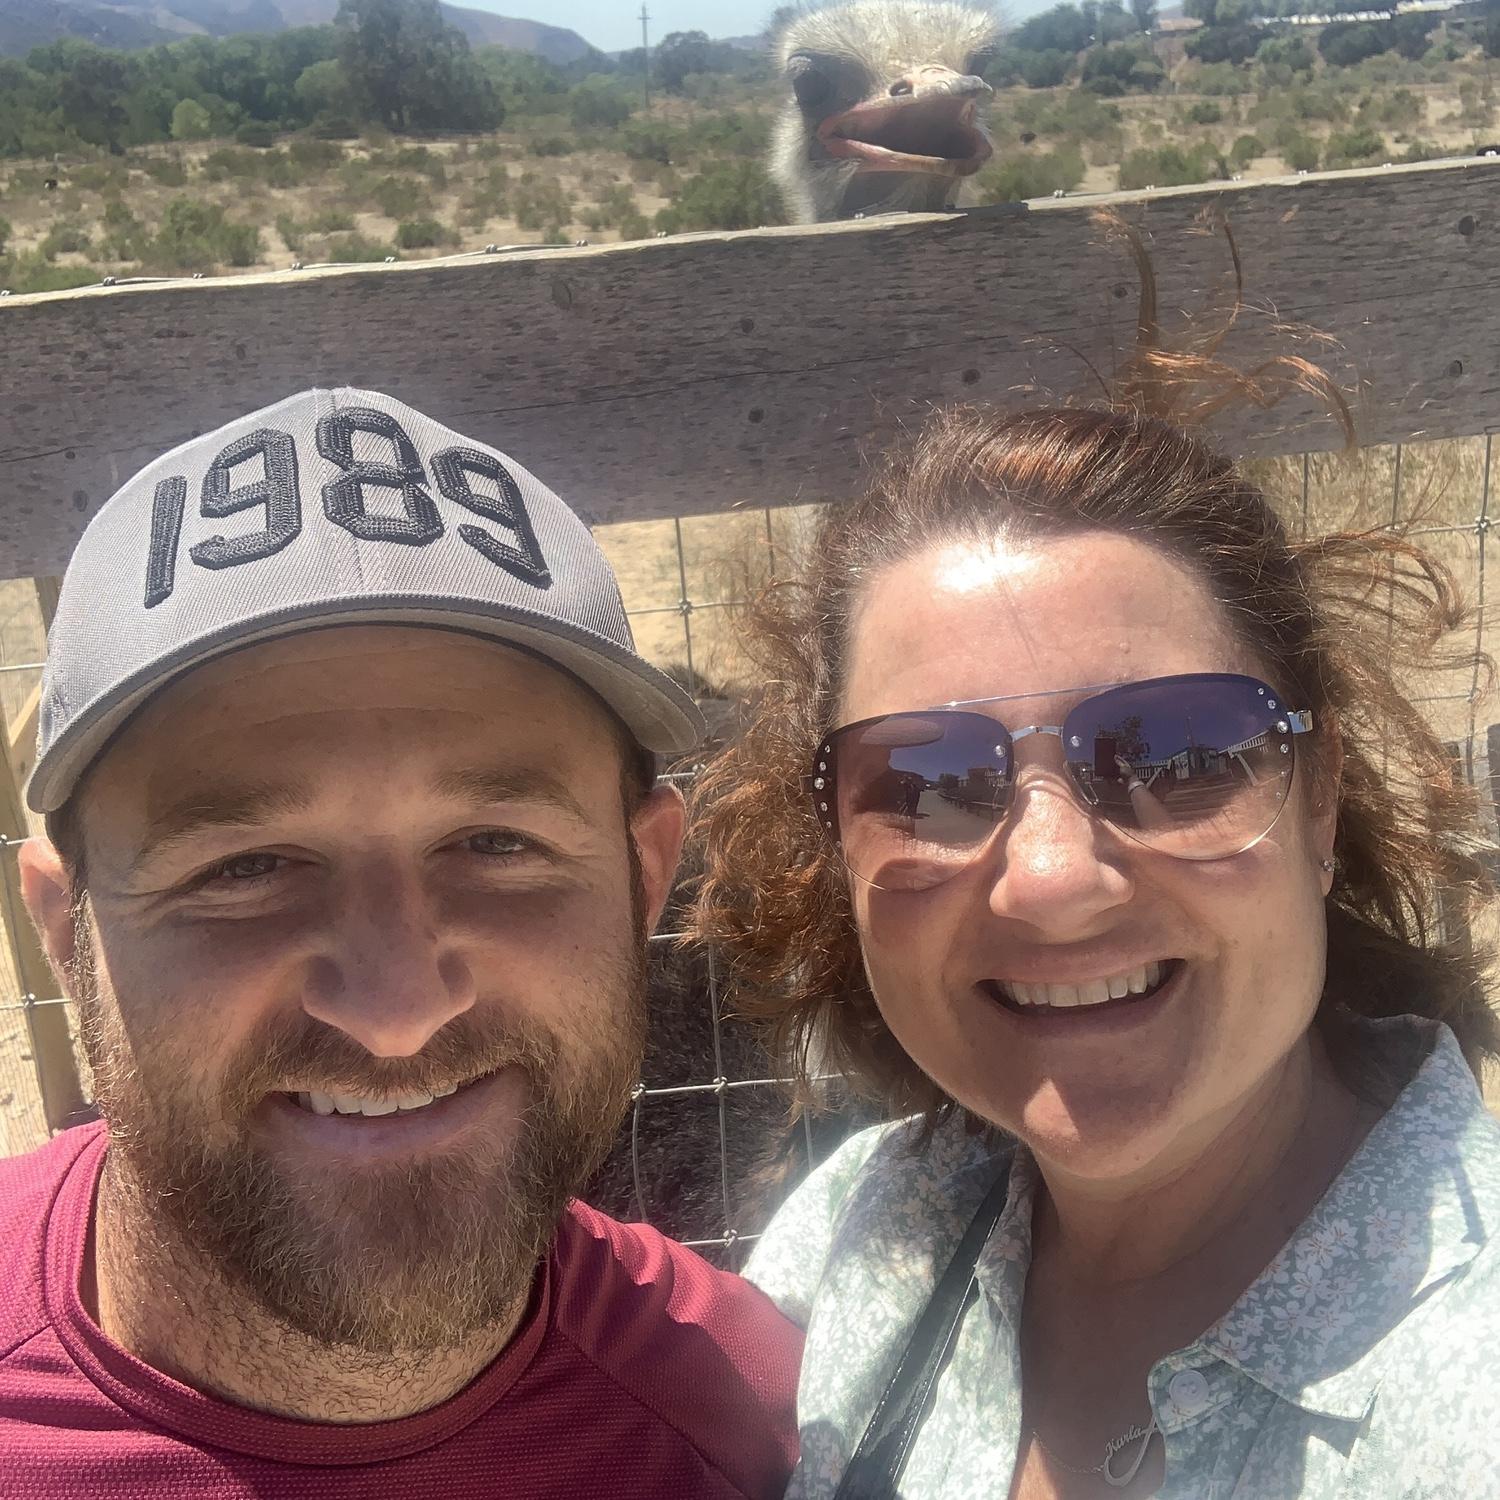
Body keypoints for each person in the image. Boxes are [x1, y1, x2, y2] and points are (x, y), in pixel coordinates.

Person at [0, 388, 802, 1498]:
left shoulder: (765, 1437)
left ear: (646, 879)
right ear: (63, 933)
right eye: (243, 867)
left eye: (493, 841)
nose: (395, 1006)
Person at [692, 398, 1500, 1499]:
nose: (1052, 880)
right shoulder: (863, 1231)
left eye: (1176, 755)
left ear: (1321, 799)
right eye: (925, 781)